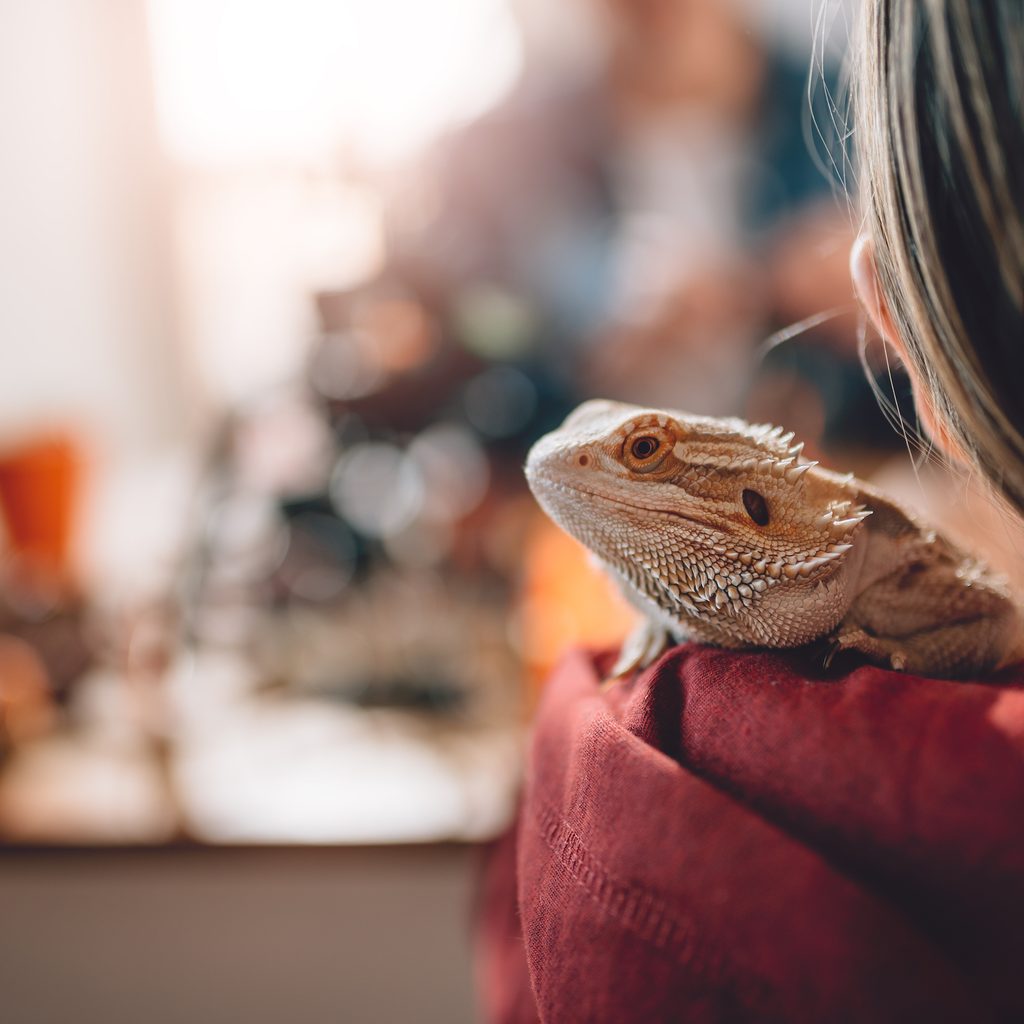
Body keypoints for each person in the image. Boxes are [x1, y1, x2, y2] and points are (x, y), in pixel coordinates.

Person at [477, 2, 1024, 1021]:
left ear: (894, 305)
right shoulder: (517, 137)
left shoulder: (824, 83)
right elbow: (490, 341)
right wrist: (582, 342)